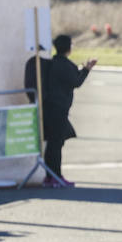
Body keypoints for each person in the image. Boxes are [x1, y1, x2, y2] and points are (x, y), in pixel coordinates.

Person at [25, 35, 97, 187]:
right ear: (68, 48)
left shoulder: (52, 63)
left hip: (49, 108)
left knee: (52, 144)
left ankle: (50, 177)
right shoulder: (64, 65)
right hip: (58, 110)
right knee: (55, 145)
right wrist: (86, 69)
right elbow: (76, 81)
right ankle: (55, 177)